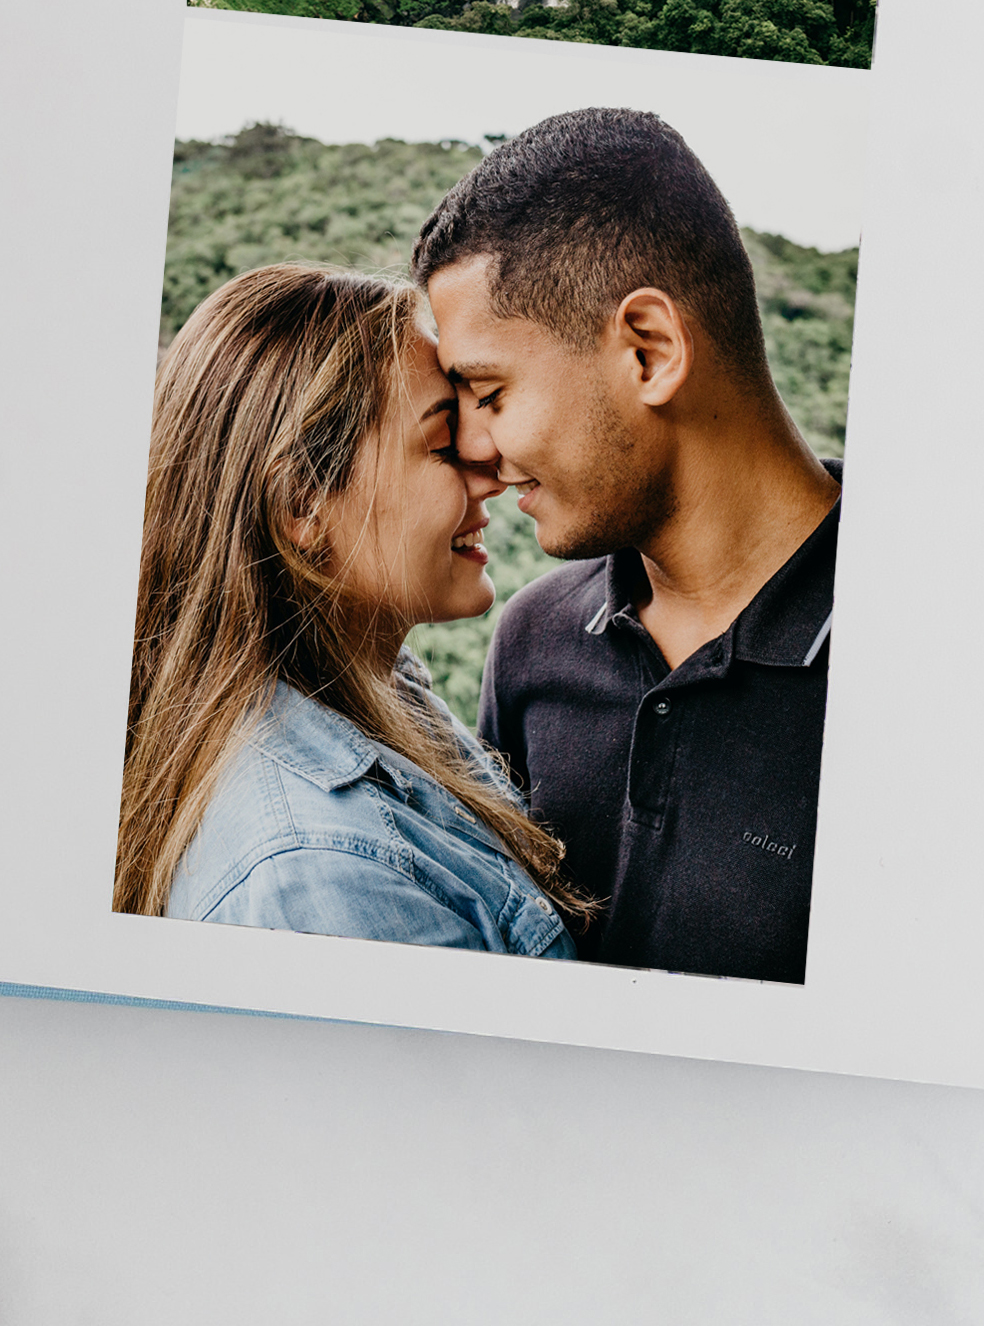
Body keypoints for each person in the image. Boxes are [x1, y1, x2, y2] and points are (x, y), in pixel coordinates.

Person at [413, 107, 842, 985]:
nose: (474, 449)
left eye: (488, 392)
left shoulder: (952, 657)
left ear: (648, 351)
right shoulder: (532, 643)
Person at [112, 261, 589, 953]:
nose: (489, 468)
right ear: (303, 504)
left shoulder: (377, 693)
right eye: (440, 442)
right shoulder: (320, 875)